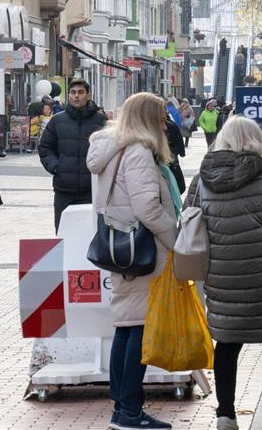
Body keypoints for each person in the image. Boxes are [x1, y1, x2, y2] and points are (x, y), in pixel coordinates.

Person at [182, 117, 262, 430]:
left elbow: (188, 222)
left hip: (223, 277)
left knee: (226, 345)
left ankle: (225, 416)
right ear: (256, 141)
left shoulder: (202, 181)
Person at [86, 93, 179, 430]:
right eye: (160, 116)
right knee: (136, 330)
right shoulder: (138, 152)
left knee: (126, 328)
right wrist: (176, 240)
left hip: (121, 249)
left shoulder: (111, 149)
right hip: (144, 252)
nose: (165, 123)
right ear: (146, 118)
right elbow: (147, 208)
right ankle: (129, 411)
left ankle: (122, 409)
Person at [38, 78, 107, 232]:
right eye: (73, 92)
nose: (76, 96)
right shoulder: (57, 120)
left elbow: (109, 150)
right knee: (63, 233)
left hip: (92, 190)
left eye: (81, 92)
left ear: (88, 95)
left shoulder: (100, 121)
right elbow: (45, 148)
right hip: (64, 189)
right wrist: (56, 167)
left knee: (90, 234)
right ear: (68, 95)